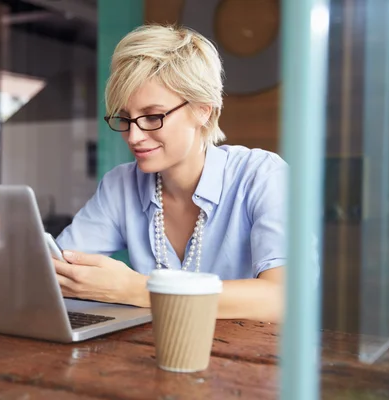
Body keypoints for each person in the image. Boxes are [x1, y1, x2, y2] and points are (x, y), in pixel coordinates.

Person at [55, 24, 287, 322]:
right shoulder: (121, 184)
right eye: (125, 118)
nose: (134, 136)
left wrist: (140, 290)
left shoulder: (263, 176)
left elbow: (282, 299)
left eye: (152, 117)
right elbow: (61, 270)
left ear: (203, 109)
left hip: (246, 361)